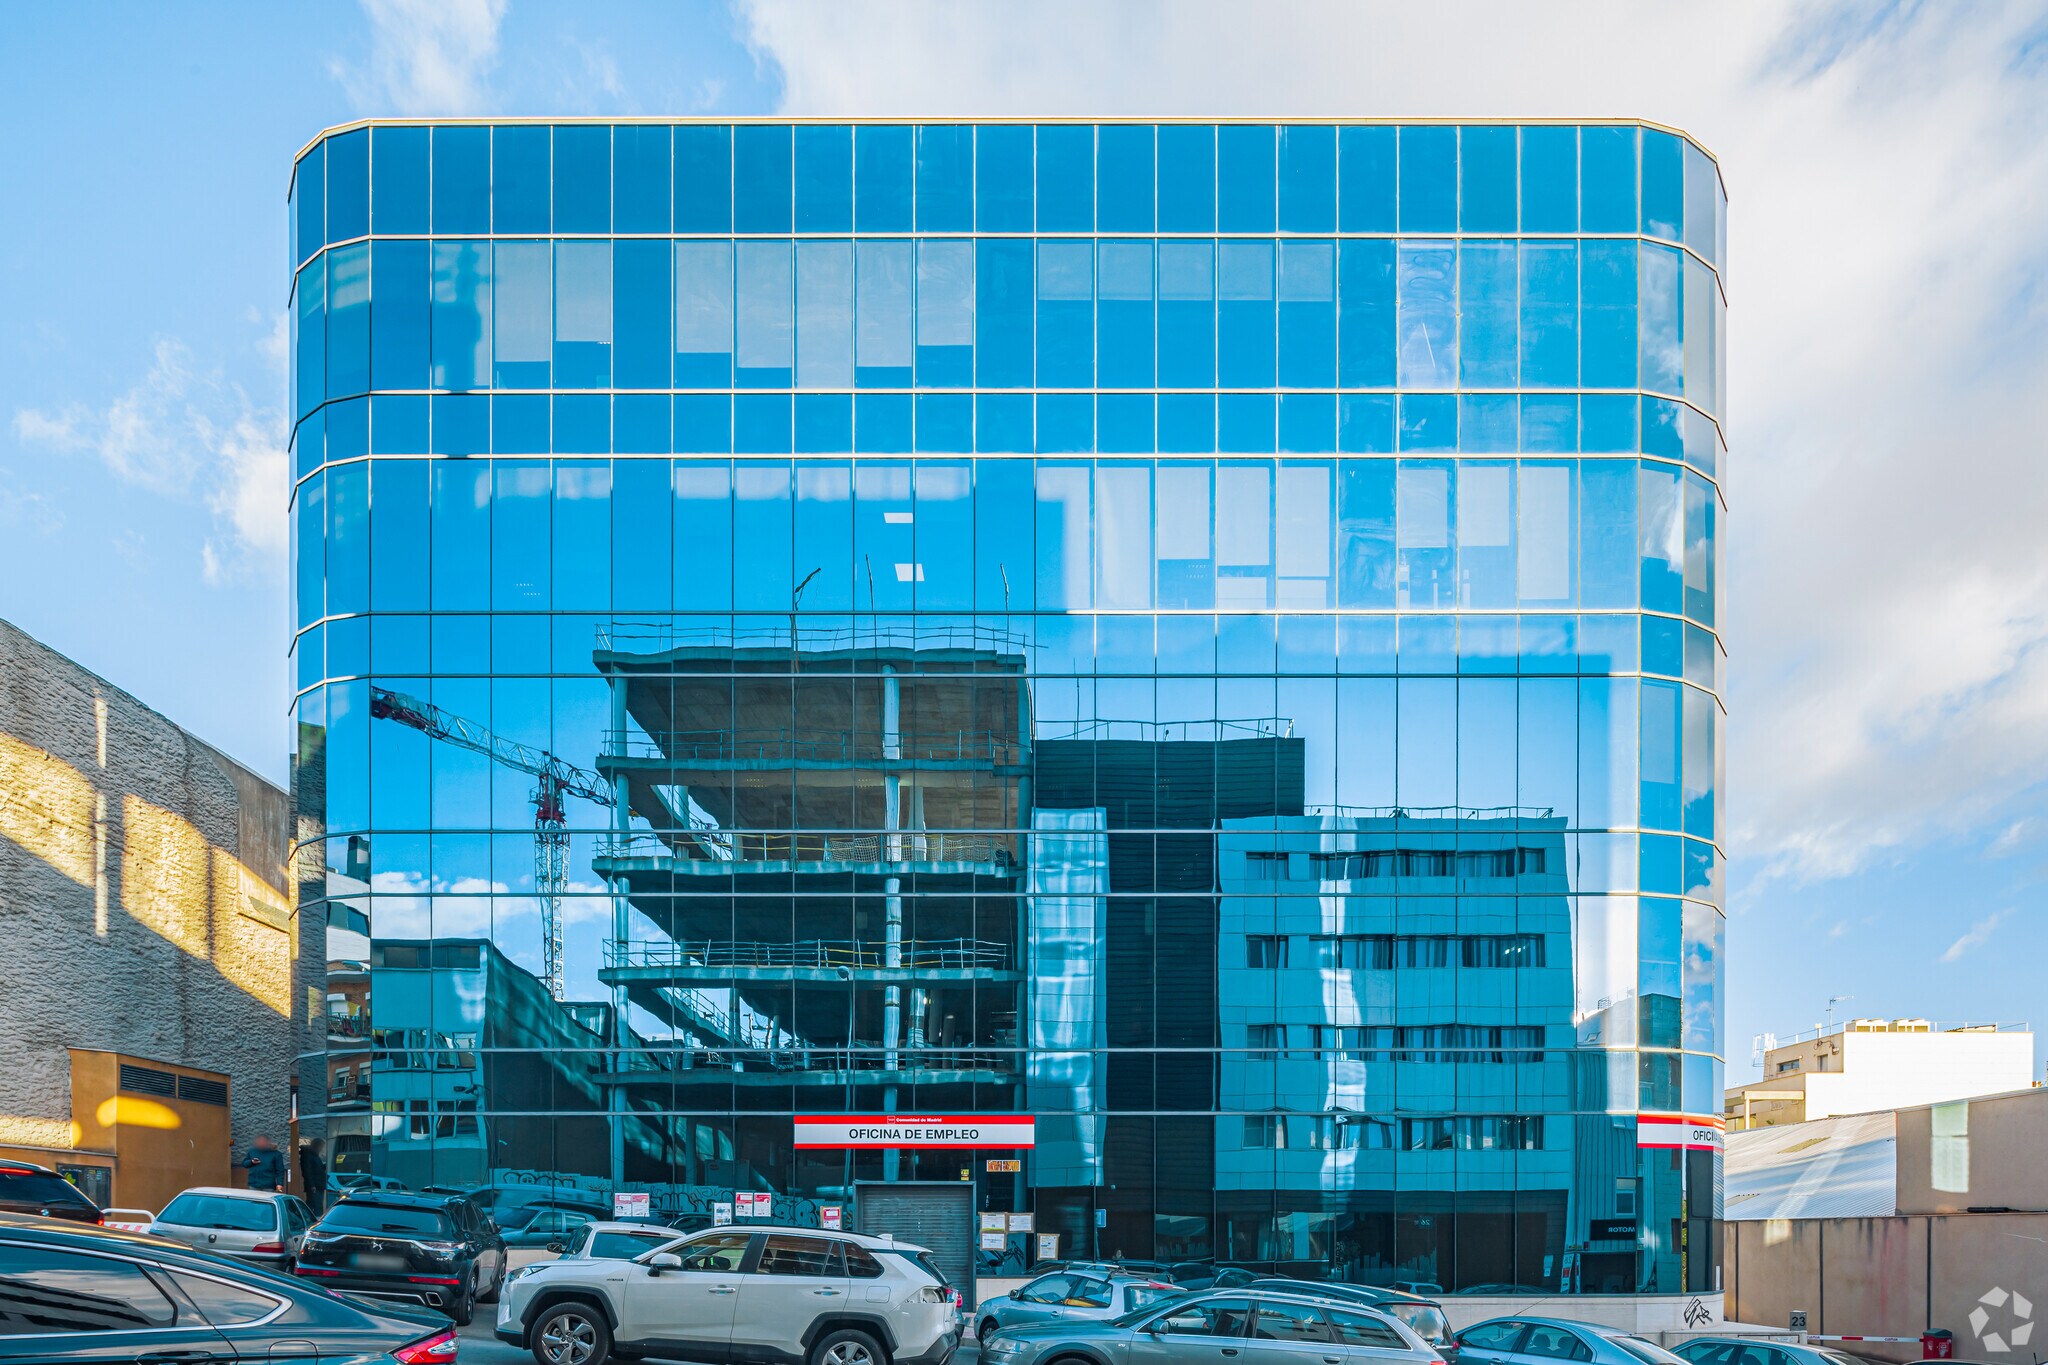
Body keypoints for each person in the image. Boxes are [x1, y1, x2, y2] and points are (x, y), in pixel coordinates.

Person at [298, 1138, 329, 1217]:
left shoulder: (314, 1155)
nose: (322, 1149)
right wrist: (312, 1185)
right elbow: (307, 1172)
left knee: (314, 1204)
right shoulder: (308, 1155)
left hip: (318, 1184)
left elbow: (317, 1169)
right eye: (321, 1146)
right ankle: (312, 1219)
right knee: (315, 1205)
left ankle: (310, 1218)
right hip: (315, 1185)